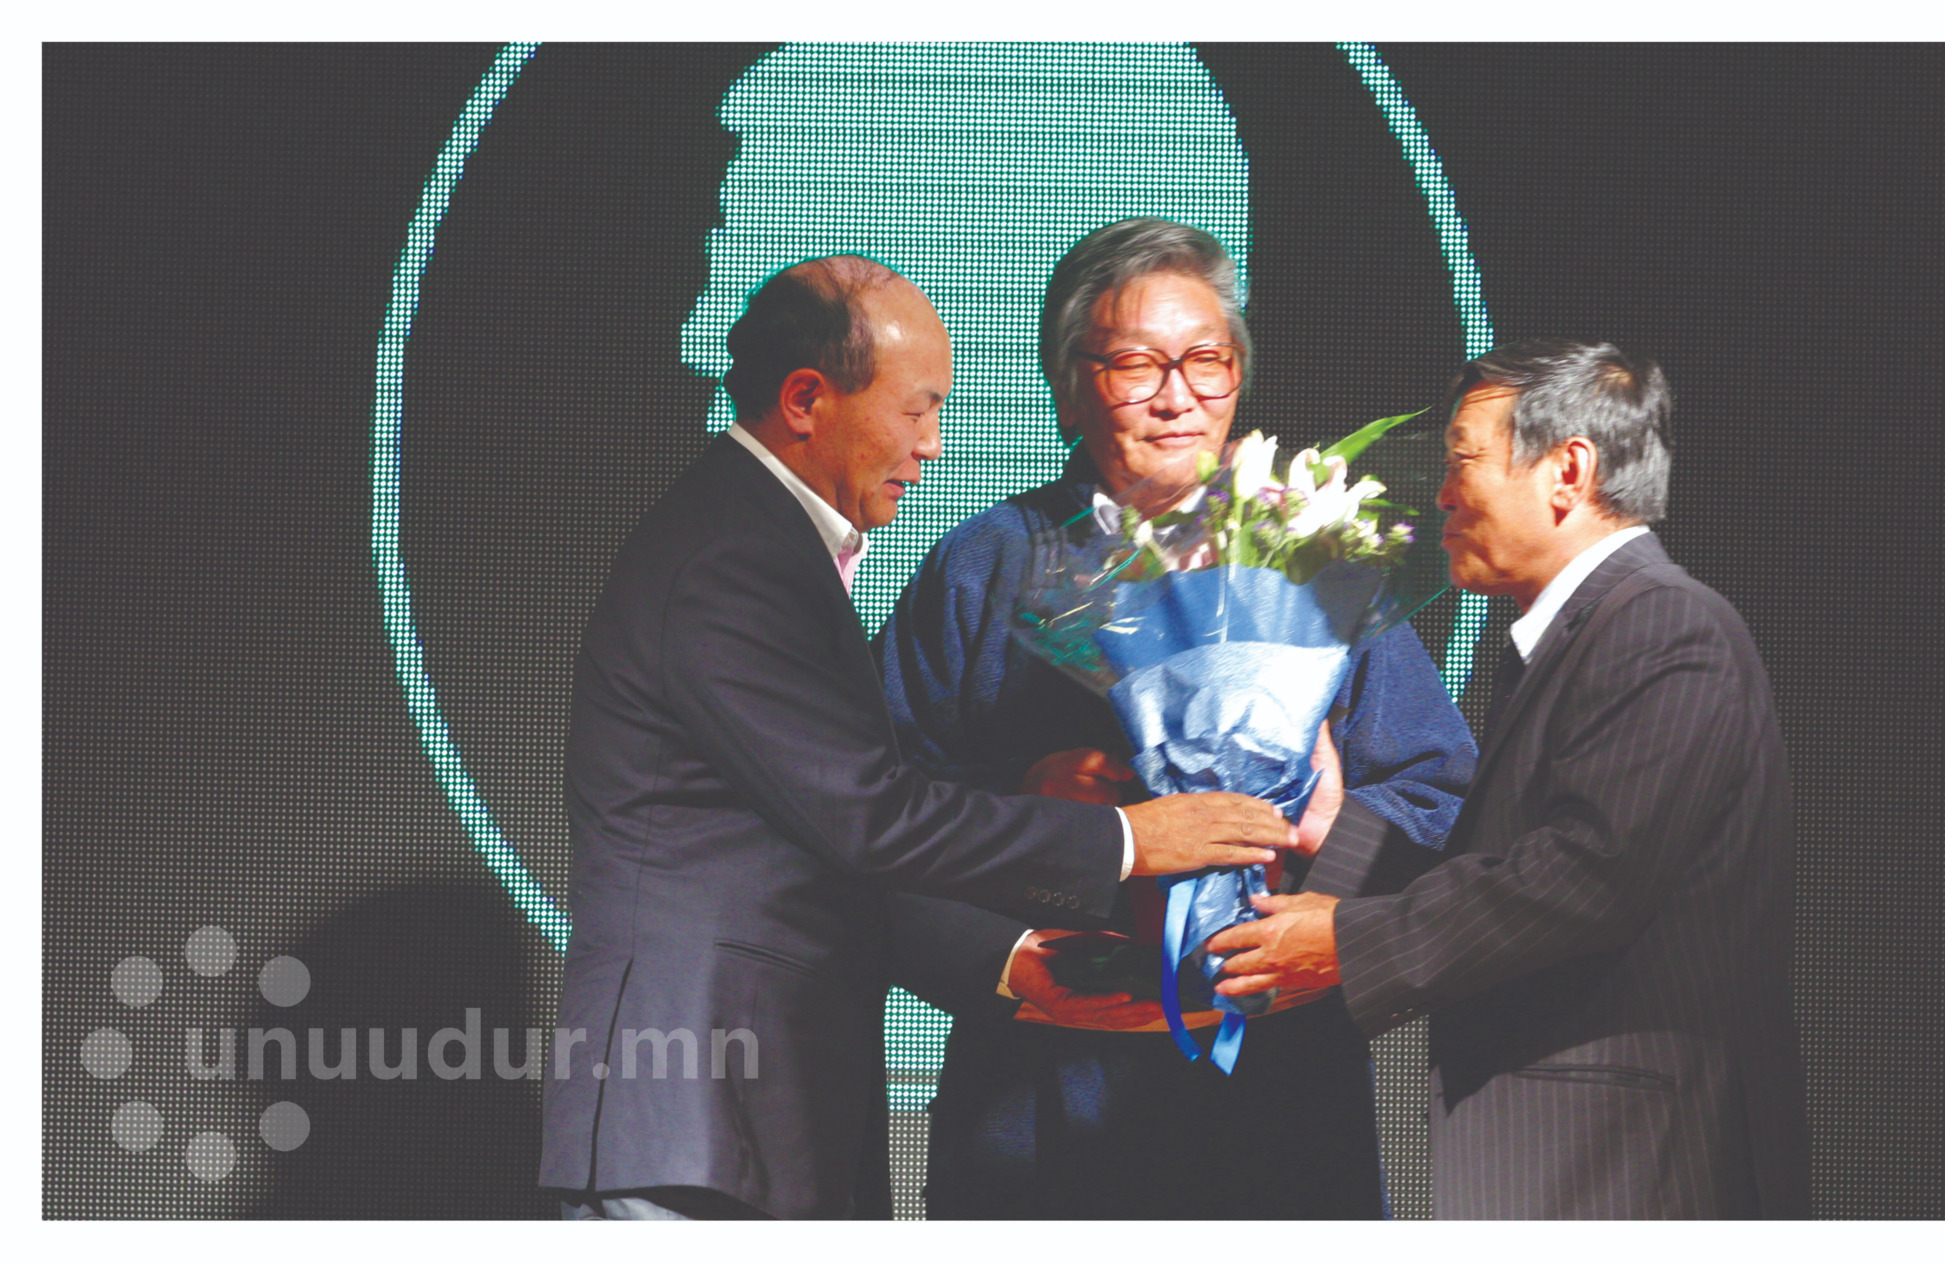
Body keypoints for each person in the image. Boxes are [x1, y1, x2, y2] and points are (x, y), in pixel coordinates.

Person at [538, 256, 1298, 1220]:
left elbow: (817, 844)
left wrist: (1014, 957)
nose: (932, 447)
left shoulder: (758, 539)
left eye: (1207, 362)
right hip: (696, 1115)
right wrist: (1127, 840)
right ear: (806, 399)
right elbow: (871, 816)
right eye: (916, 410)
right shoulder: (736, 556)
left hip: (749, 1119)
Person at [878, 219, 1476, 1218]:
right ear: (1068, 386)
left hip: (1278, 1077)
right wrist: (1028, 814)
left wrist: (1323, 860)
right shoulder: (985, 565)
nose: (1177, 396)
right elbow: (870, 812)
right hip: (1046, 1080)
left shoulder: (1312, 560)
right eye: (1135, 365)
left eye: (1207, 360)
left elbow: (1438, 791)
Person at [1209, 339, 1809, 1218]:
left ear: (1568, 471)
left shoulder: (1665, 628)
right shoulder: (1582, 634)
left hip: (1630, 1164)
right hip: (1576, 1152)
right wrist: (1329, 829)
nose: (1442, 495)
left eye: (1462, 462)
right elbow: (1512, 871)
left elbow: (1587, 878)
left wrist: (1347, 944)